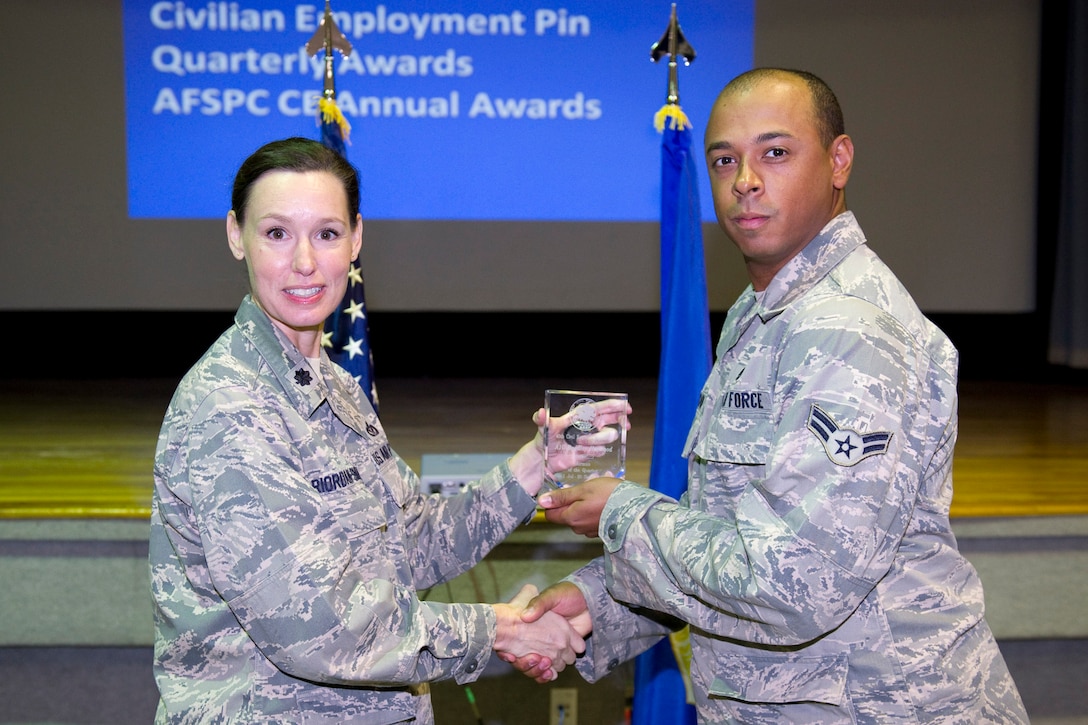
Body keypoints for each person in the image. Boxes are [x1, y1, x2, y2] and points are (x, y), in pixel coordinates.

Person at [506, 68, 1030, 723]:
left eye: (775, 153)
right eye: (725, 160)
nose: (745, 180)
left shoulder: (848, 329)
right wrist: (597, 606)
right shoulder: (764, 316)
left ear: (839, 161)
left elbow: (795, 582)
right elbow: (728, 532)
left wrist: (624, 513)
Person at [148, 137, 600, 723]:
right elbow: (317, 625)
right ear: (236, 235)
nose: (305, 262)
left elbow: (410, 544)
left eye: (328, 234)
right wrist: (497, 630)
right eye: (277, 233)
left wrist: (534, 465)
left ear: (357, 238)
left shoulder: (333, 386)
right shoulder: (231, 405)